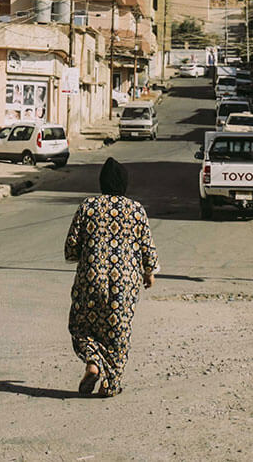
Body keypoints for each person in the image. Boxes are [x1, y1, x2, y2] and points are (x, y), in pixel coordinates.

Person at [64, 156, 158, 398]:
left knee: (82, 325)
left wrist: (86, 256)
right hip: (125, 283)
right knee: (118, 331)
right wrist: (149, 272)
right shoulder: (136, 210)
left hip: (91, 278)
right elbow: (147, 247)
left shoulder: (88, 206)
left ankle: (93, 363)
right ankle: (110, 384)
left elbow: (71, 248)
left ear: (102, 182)